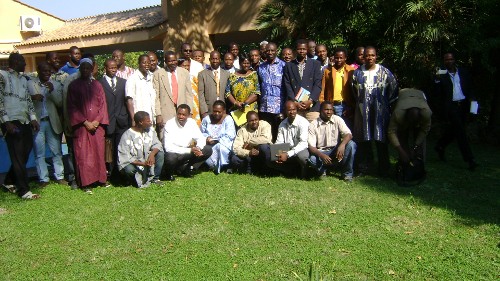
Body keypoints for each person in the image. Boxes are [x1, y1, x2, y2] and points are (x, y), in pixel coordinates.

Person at [352, 46, 398, 176]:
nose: (369, 58)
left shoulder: (384, 72)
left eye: (372, 55)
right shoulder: (357, 73)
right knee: (363, 141)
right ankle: (363, 169)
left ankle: (384, 170)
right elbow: (354, 91)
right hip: (363, 112)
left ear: (376, 56)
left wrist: (384, 104)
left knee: (380, 141)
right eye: (367, 55)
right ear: (363, 57)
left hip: (381, 112)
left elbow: (393, 89)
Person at [0, 53, 40, 199]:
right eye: (23, 61)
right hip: (10, 121)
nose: (25, 64)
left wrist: (33, 118)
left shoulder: (24, 79)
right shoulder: (3, 76)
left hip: (24, 120)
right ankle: (24, 190)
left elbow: (28, 100)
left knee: (24, 152)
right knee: (17, 155)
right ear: (15, 62)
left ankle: (10, 180)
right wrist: (6, 122)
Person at [67, 58, 109, 193]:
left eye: (88, 68)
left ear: (92, 70)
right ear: (80, 69)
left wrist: (97, 121)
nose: (85, 70)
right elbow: (72, 107)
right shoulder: (73, 86)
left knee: (98, 153)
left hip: (97, 126)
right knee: (83, 155)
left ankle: (101, 179)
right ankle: (86, 183)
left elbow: (102, 105)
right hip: (82, 127)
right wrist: (85, 122)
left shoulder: (97, 85)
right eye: (83, 68)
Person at [434, 52, 477, 170]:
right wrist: (437, 80)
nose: (449, 61)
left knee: (454, 130)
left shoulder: (463, 72)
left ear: (454, 60)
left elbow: (471, 91)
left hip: (463, 105)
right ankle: (470, 159)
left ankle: (440, 145)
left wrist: (474, 109)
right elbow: (437, 94)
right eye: (446, 60)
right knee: (460, 131)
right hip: (451, 107)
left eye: (451, 59)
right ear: (444, 61)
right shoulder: (441, 73)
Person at [28, 62, 66, 187]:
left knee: (56, 151)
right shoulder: (31, 84)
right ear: (38, 70)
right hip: (38, 122)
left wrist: (52, 91)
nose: (47, 73)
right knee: (39, 153)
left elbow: (60, 103)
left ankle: (60, 176)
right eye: (44, 71)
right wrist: (33, 97)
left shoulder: (54, 84)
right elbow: (27, 103)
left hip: (52, 122)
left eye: (49, 71)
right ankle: (43, 179)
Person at [388, 88, 432, 185]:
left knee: (420, 142)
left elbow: (425, 130)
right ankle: (404, 164)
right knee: (403, 136)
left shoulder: (426, 113)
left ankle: (418, 166)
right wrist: (401, 150)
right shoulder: (398, 113)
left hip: (419, 98)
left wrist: (416, 146)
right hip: (403, 101)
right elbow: (391, 132)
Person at [308, 101, 356, 181]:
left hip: (336, 151)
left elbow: (349, 134)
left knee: (351, 144)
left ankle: (347, 174)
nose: (329, 112)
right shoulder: (313, 124)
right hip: (322, 152)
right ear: (320, 111)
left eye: (331, 110)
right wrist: (321, 155)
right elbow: (311, 147)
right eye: (326, 110)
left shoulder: (337, 119)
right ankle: (323, 170)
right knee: (311, 159)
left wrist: (342, 145)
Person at [99, 58, 130, 180]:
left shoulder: (123, 82)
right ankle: (111, 173)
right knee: (109, 149)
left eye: (115, 68)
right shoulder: (99, 83)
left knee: (121, 147)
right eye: (110, 68)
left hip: (121, 120)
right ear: (105, 68)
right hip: (108, 121)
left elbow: (126, 101)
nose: (113, 70)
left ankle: (121, 172)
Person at [163, 104, 212, 180]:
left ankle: (186, 168)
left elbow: (200, 138)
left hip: (188, 151)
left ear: (188, 115)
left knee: (207, 150)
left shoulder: (191, 122)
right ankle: (169, 174)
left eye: (183, 115)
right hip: (176, 152)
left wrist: (198, 148)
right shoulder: (169, 124)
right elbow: (168, 147)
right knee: (170, 158)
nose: (181, 116)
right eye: (179, 114)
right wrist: (190, 150)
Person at [118, 111, 164, 188]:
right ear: (140, 122)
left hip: (147, 159)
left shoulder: (150, 130)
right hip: (134, 163)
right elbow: (125, 157)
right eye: (148, 121)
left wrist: (152, 154)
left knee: (160, 153)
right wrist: (143, 164)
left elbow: (157, 144)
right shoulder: (127, 135)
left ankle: (155, 178)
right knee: (129, 170)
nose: (150, 122)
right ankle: (132, 181)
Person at [153, 51, 193, 139]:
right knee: (166, 139)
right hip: (166, 112)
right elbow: (156, 97)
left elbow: (189, 94)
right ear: (165, 61)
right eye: (170, 61)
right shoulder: (158, 74)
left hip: (182, 112)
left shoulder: (184, 73)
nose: (173, 63)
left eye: (175, 60)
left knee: (183, 138)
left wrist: (190, 112)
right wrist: (158, 115)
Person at [266, 101, 310, 178]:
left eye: (294, 109)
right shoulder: (282, 124)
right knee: (270, 158)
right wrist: (278, 154)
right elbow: (279, 142)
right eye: (289, 110)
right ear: (285, 111)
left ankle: (305, 174)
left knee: (303, 156)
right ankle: (291, 171)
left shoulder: (303, 122)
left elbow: (303, 143)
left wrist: (287, 154)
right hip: (288, 149)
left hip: (300, 149)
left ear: (297, 110)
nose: (292, 112)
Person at [283, 39, 323, 122]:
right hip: (296, 107)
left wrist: (310, 101)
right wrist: (294, 102)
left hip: (312, 107)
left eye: (304, 49)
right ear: (295, 50)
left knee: (314, 132)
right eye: (299, 49)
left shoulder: (315, 64)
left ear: (307, 49)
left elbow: (317, 84)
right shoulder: (289, 66)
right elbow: (288, 85)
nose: (302, 51)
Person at [320, 46, 356, 128]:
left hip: (345, 106)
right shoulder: (328, 71)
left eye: (341, 58)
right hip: (331, 105)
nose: (339, 60)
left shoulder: (350, 71)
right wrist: (322, 104)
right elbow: (323, 89)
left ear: (345, 58)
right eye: (337, 58)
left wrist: (351, 107)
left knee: (346, 131)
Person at [257, 42, 286, 141]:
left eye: (272, 50)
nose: (270, 52)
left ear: (276, 51)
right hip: (264, 108)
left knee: (278, 134)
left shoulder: (284, 66)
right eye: (268, 50)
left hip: (279, 107)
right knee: (267, 134)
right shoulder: (261, 67)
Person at [201, 100, 236, 174]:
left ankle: (225, 165)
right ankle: (211, 166)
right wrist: (206, 138)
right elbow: (201, 133)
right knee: (206, 149)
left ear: (224, 111)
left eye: (219, 112)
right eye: (214, 111)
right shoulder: (206, 119)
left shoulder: (228, 119)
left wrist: (217, 140)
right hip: (209, 143)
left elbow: (231, 135)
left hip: (224, 143)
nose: (216, 113)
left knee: (220, 147)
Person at [225, 54, 260, 123]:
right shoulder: (232, 76)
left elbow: (257, 92)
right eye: (244, 63)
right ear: (240, 63)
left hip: (251, 109)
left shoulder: (254, 75)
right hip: (236, 109)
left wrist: (244, 103)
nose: (246, 65)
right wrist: (236, 103)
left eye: (248, 63)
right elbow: (227, 92)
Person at [125, 55, 156, 126]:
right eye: (144, 63)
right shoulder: (132, 79)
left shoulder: (152, 77)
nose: (147, 65)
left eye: (148, 63)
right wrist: (133, 119)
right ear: (139, 64)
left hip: (152, 118)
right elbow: (129, 100)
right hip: (140, 120)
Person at [198, 51, 230, 117]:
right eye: (213, 59)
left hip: (223, 109)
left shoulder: (227, 74)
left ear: (220, 60)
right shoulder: (202, 74)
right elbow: (201, 94)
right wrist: (204, 111)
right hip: (209, 109)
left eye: (217, 59)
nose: (215, 61)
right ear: (209, 60)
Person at [178, 59, 202, 126]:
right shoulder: (176, 78)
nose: (186, 67)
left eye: (188, 66)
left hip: (195, 107)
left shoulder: (194, 78)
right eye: (184, 66)